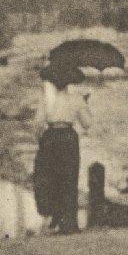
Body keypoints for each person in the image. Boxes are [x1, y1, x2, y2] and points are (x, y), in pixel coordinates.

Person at [34, 62, 92, 234]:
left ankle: (55, 218)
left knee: (50, 177)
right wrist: (86, 106)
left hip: (51, 137)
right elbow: (87, 124)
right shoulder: (77, 99)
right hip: (68, 138)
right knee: (69, 177)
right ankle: (69, 222)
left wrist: (41, 141)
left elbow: (37, 123)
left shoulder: (46, 99)